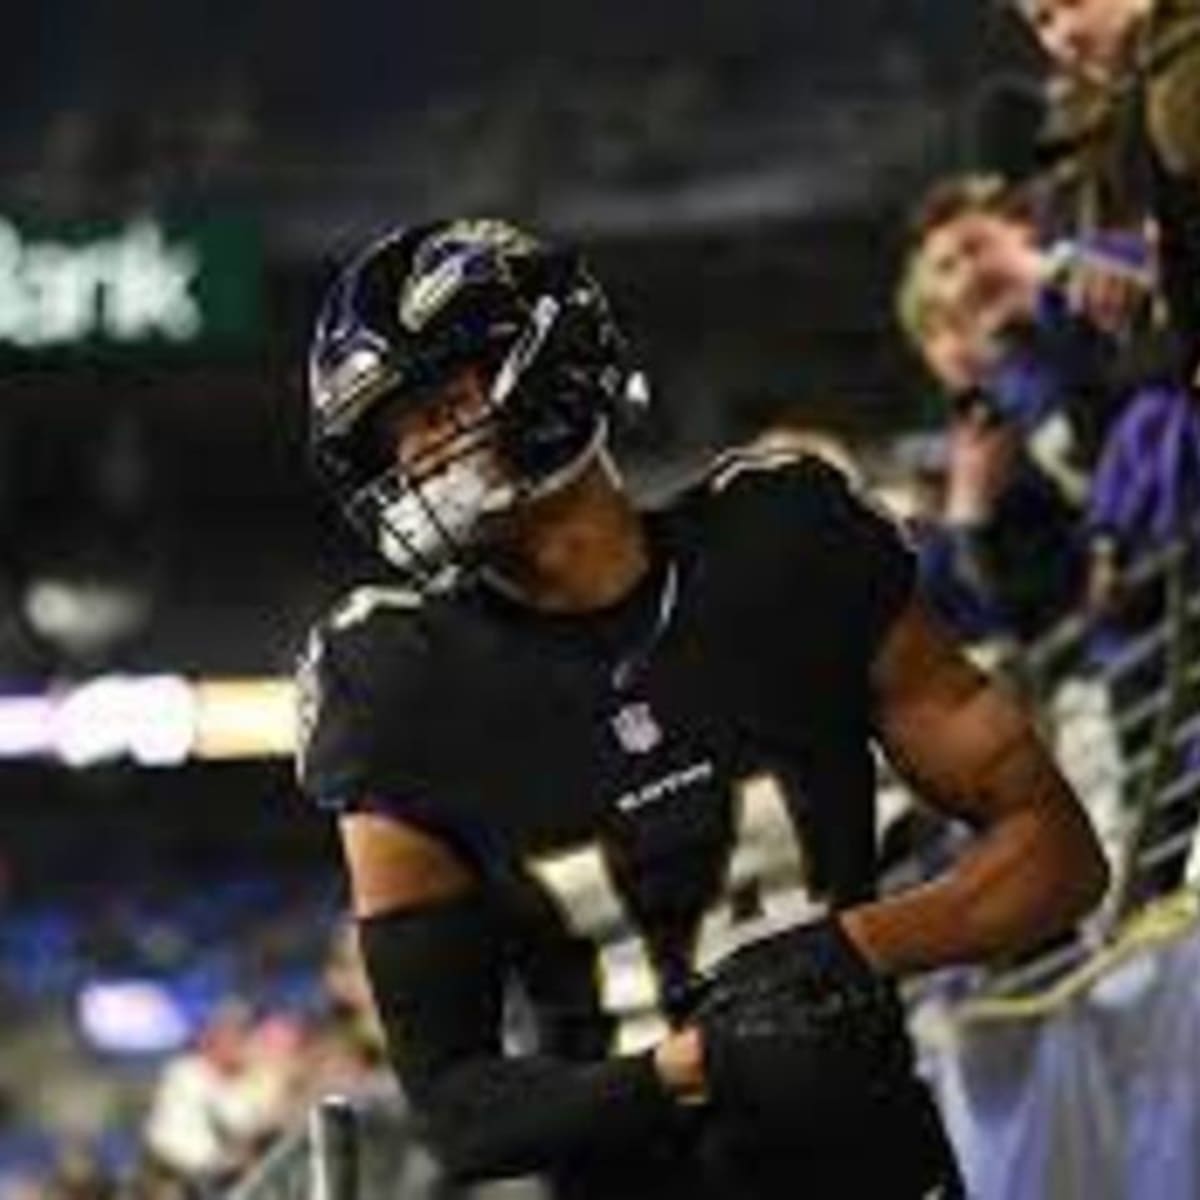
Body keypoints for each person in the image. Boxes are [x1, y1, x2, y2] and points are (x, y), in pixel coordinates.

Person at [296, 219, 1108, 1199]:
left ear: (550, 361)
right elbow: (460, 1109)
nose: (420, 459)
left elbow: (1059, 854)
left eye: (440, 406)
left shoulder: (786, 546)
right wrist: (697, 1066)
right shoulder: (399, 689)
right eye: (394, 437)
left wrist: (854, 951)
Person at [1014, 0, 1200, 378]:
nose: (1065, 34)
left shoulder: (1178, 86)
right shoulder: (1131, 112)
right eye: (1044, 22)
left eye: (1075, 1)